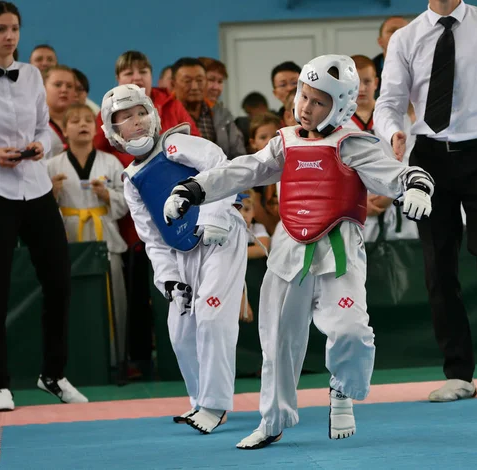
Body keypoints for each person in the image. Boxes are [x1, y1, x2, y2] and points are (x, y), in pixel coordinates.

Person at [164, 54, 435, 449]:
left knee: (351, 331)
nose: (306, 107)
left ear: (340, 105)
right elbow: (245, 169)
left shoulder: (352, 144)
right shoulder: (284, 142)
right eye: (303, 96)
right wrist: (193, 189)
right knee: (276, 343)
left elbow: (391, 171)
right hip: (289, 249)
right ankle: (272, 420)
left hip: (338, 250)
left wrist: (416, 185)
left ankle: (342, 389)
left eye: (318, 101)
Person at [374, 0, 477, 402]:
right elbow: (388, 101)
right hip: (427, 157)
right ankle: (459, 372)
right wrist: (392, 132)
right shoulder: (405, 37)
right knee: (438, 266)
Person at [101, 84, 248, 434]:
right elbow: (150, 235)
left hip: (221, 235)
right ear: (112, 131)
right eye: (125, 118)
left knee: (212, 317)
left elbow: (217, 163)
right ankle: (199, 400)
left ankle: (215, 406)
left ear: (152, 115)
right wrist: (168, 278)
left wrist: (212, 217)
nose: (135, 122)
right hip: (182, 252)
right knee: (180, 329)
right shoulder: (131, 179)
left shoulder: (175, 144)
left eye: (140, 113)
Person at [0, 1, 87, 411]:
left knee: (59, 282)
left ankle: (53, 374)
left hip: (35, 190)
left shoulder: (34, 74)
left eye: (15, 28)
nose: (10, 36)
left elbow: (44, 128)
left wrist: (41, 145)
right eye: (0, 28)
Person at [47, 103, 129, 365]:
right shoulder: (52, 165)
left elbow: (129, 201)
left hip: (104, 234)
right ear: (64, 131)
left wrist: (108, 196)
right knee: (68, 299)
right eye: (75, 121)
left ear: (96, 129)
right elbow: (40, 210)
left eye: (88, 121)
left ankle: (114, 360)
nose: (83, 124)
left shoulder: (111, 162)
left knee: (113, 298)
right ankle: (70, 361)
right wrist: (53, 195)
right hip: (68, 236)